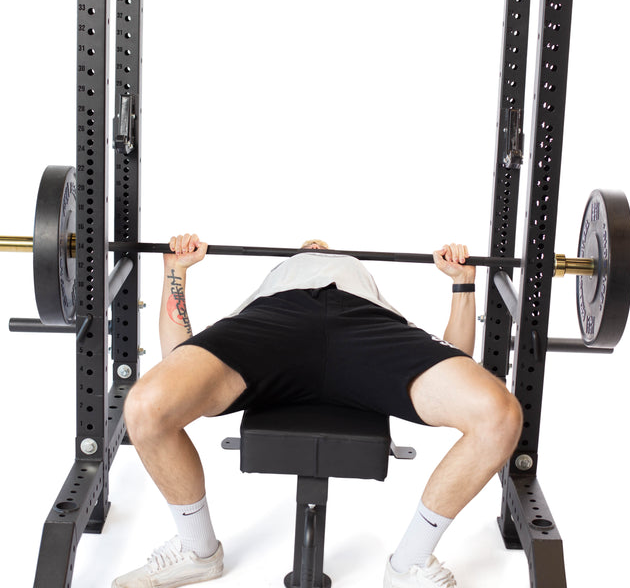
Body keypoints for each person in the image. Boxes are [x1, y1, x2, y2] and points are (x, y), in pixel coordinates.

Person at [112, 235, 523, 588]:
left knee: (497, 414)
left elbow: (458, 359)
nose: (316, 247)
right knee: (148, 405)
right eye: (308, 247)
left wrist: (463, 284)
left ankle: (411, 562)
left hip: (367, 327)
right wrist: (175, 271)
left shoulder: (364, 285)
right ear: (294, 259)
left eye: (322, 246)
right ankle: (196, 548)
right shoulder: (274, 283)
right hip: (272, 323)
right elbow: (175, 361)